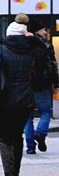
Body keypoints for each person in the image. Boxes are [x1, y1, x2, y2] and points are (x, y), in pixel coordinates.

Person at [0, 15, 46, 176]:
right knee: (17, 136)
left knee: (5, 138)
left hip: (1, 99)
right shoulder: (31, 50)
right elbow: (46, 50)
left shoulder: (0, 49)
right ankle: (16, 175)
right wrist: (35, 38)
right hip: (24, 99)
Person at [23, 18, 59, 155]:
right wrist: (56, 83)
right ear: (37, 31)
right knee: (46, 112)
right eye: (43, 29)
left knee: (28, 117)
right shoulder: (45, 46)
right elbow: (53, 66)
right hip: (42, 85)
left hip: (26, 85)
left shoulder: (23, 45)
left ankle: (30, 146)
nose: (45, 32)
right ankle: (41, 134)